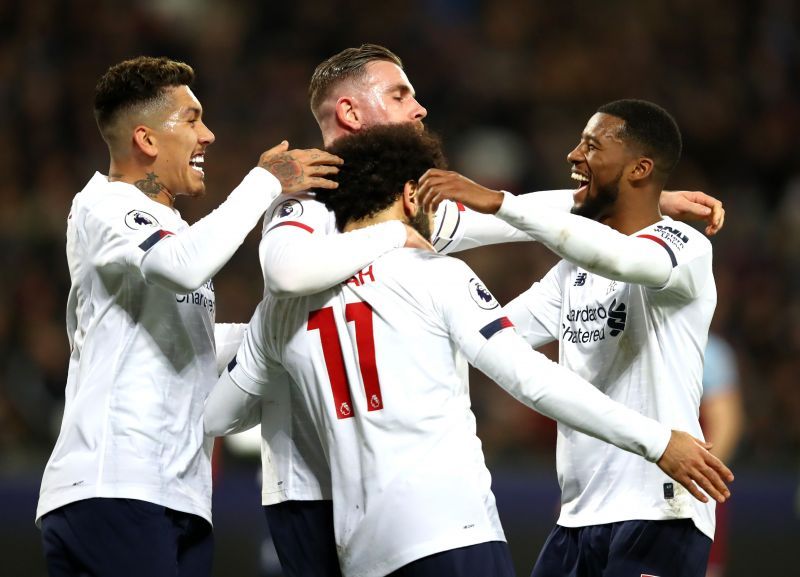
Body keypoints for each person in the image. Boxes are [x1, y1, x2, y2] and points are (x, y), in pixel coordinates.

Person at [216, 44, 728, 577]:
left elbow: (502, 216)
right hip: (320, 491)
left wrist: (641, 199)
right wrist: (399, 233)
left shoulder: (420, 238)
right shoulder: (307, 205)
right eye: (399, 94)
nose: (420, 108)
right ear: (350, 112)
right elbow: (287, 273)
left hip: (390, 512)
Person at [35, 55, 342, 577]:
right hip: (115, 487)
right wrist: (264, 183)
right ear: (147, 140)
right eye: (192, 118)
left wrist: (287, 326)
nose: (209, 134)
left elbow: (192, 341)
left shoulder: (168, 227)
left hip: (173, 492)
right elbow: (182, 267)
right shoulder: (106, 205)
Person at [415, 99, 720, 577]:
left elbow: (622, 259)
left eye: (592, 146)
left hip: (659, 506)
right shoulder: (571, 272)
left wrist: (501, 203)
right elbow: (494, 340)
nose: (573, 156)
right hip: (579, 516)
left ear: (640, 168)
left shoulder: (686, 248)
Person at [701, 333, 744, 577]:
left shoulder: (711, 351)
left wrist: (695, 482)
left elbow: (726, 425)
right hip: (620, 492)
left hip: (693, 490)